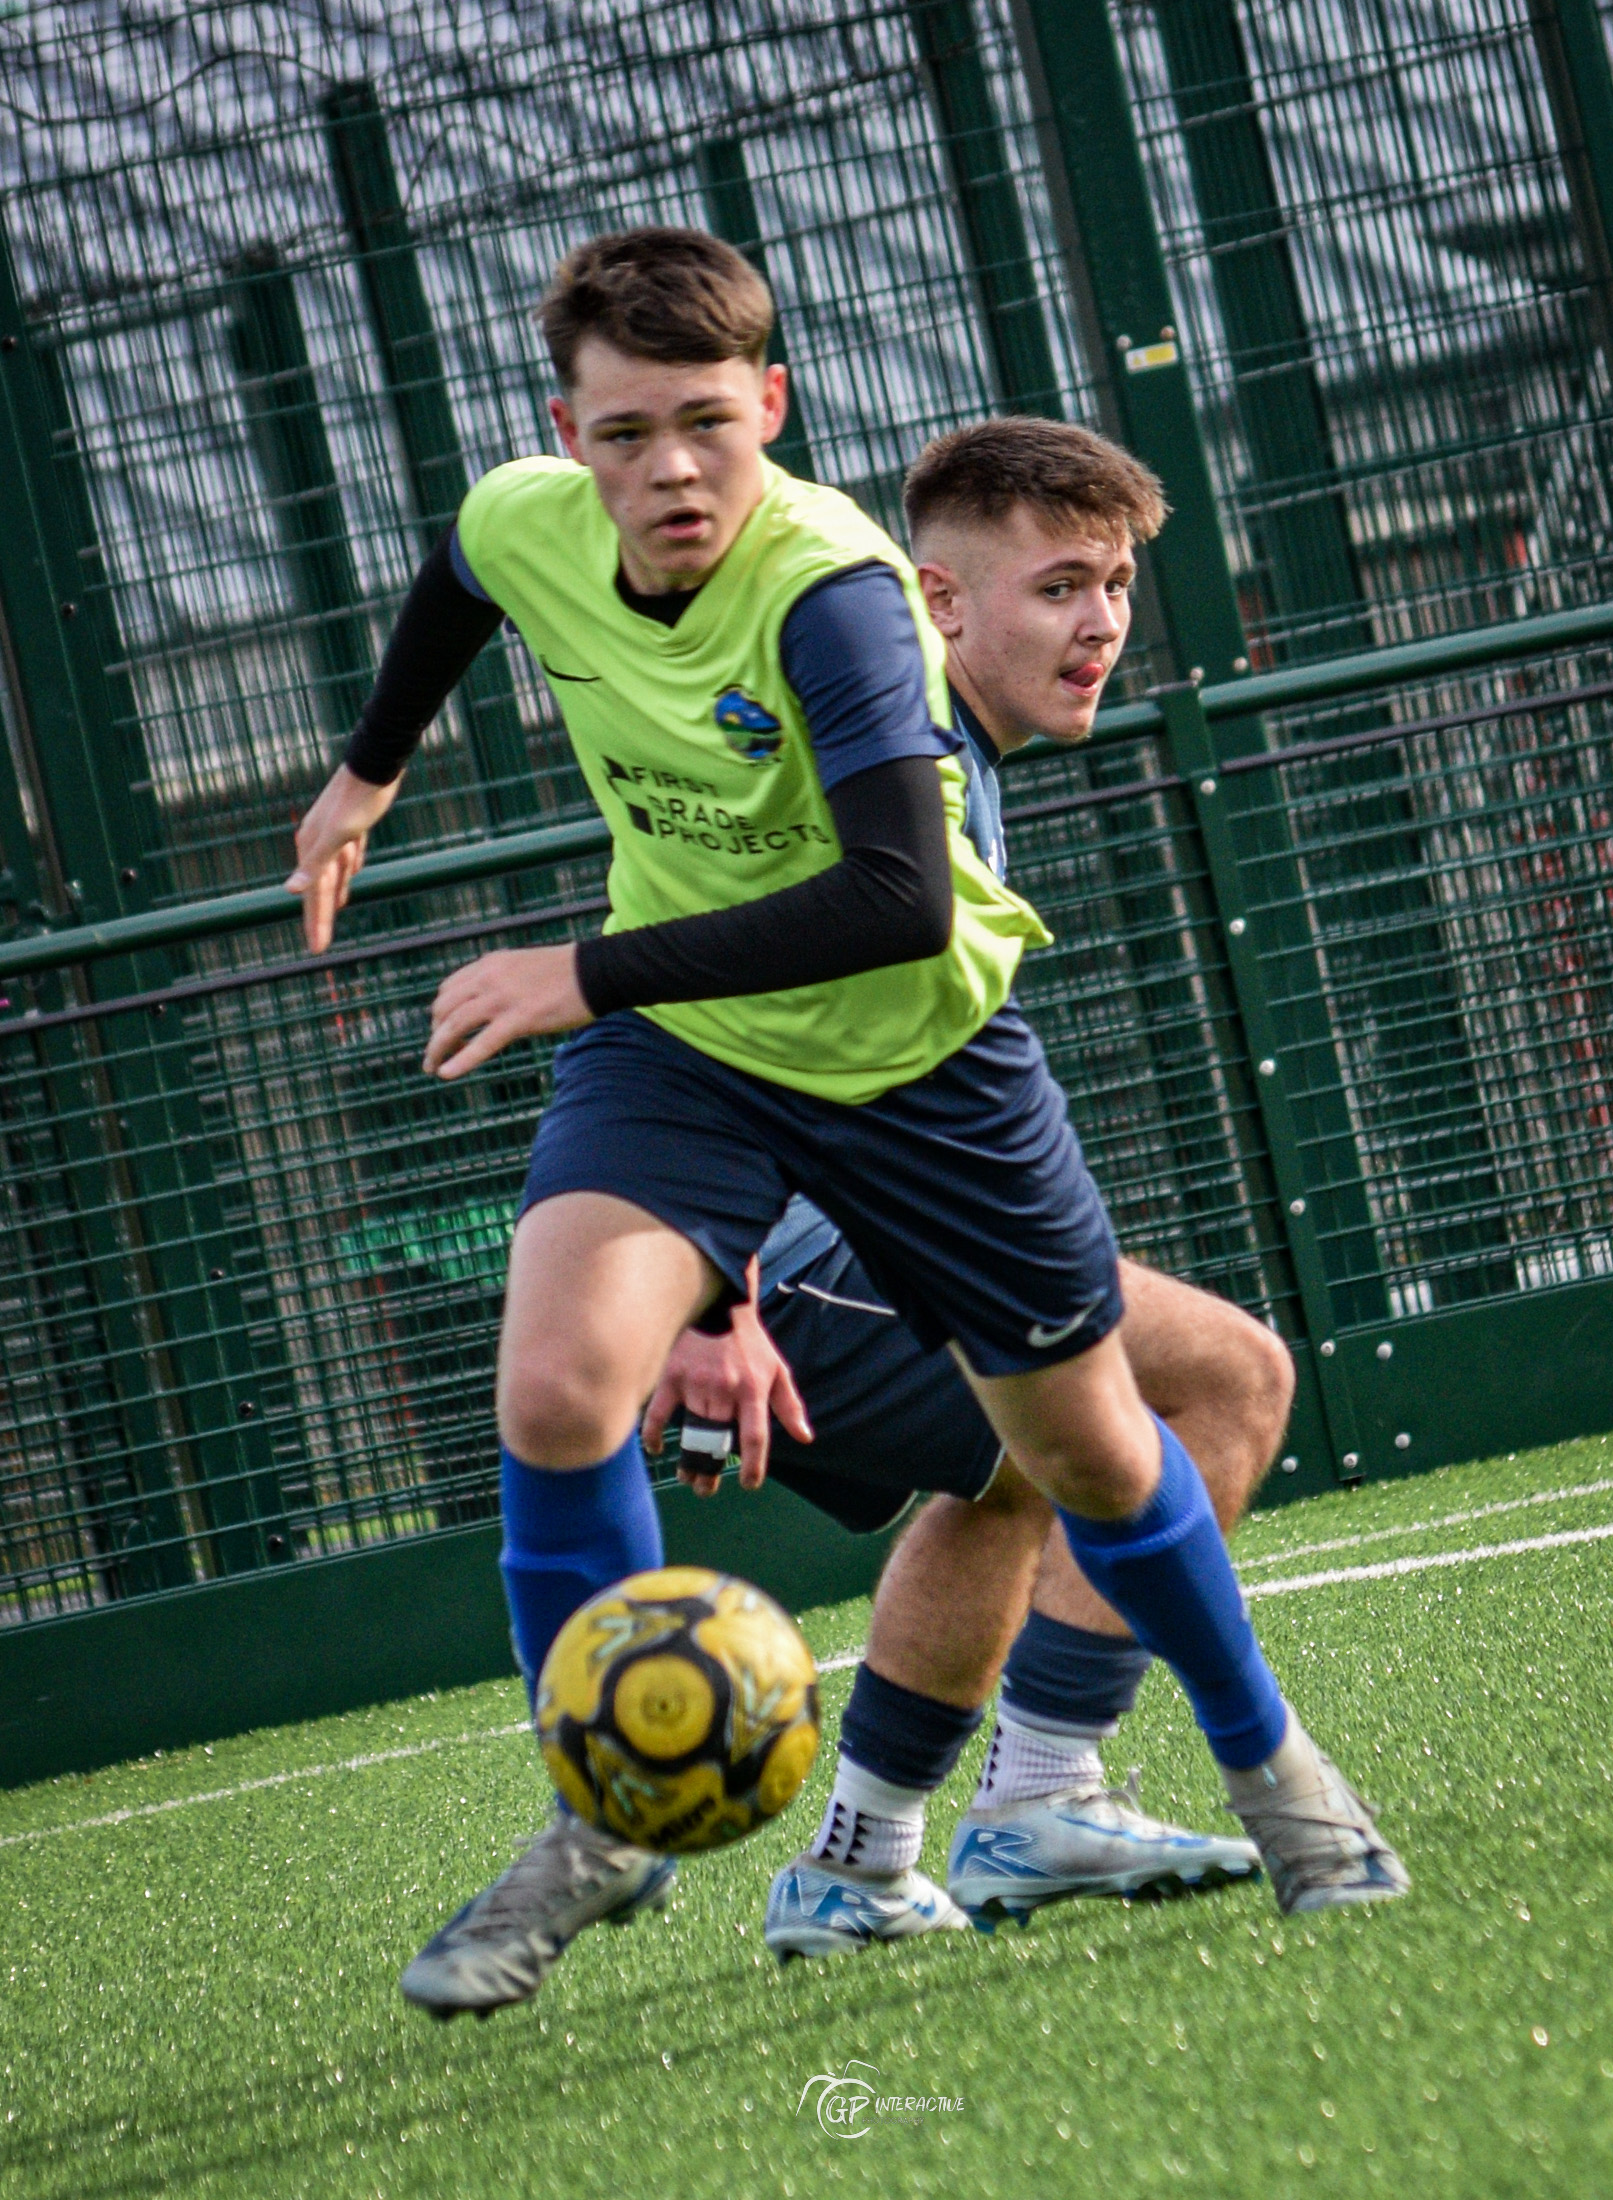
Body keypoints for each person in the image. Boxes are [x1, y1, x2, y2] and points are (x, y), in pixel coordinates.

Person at [284, 229, 1403, 2024]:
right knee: (560, 1385)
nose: (670, 470)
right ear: (565, 429)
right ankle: (605, 1818)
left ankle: (1280, 1783)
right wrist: (371, 767)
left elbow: (892, 899)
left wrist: (583, 966)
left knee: (1102, 1459)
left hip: (916, 1060)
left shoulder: (837, 594)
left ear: (772, 410)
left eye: (709, 427)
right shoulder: (525, 518)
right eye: (628, 430)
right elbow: (455, 578)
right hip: (693, 1051)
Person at [641, 420, 1405, 1959]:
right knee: (1233, 1380)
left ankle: (867, 1865)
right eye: (1060, 586)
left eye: (1117, 583)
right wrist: (707, 1296)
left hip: (812, 1242)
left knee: (1010, 1469)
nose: (1104, 623)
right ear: (935, 601)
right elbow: (692, 1003)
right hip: (796, 1247)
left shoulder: (920, 738)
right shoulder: (894, 749)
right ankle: (1035, 1802)